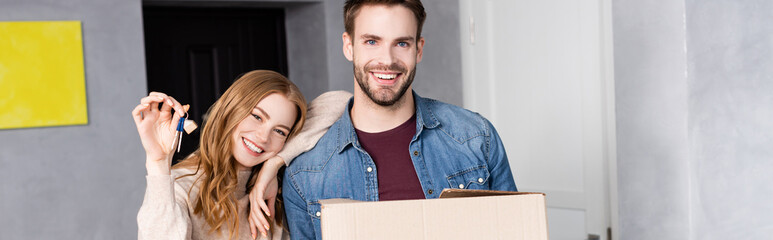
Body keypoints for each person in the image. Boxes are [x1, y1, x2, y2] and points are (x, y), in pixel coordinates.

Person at [276, 0, 518, 239]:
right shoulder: (305, 173)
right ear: (348, 46)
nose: (387, 60)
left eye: (401, 43)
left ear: (418, 49)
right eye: (372, 41)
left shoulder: (476, 136)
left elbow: (517, 231)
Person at [135, 70, 309, 240]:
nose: (263, 137)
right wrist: (158, 163)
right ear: (230, 110)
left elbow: (335, 103)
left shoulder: (275, 193)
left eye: (279, 131)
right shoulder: (180, 189)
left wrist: (273, 166)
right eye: (257, 117)